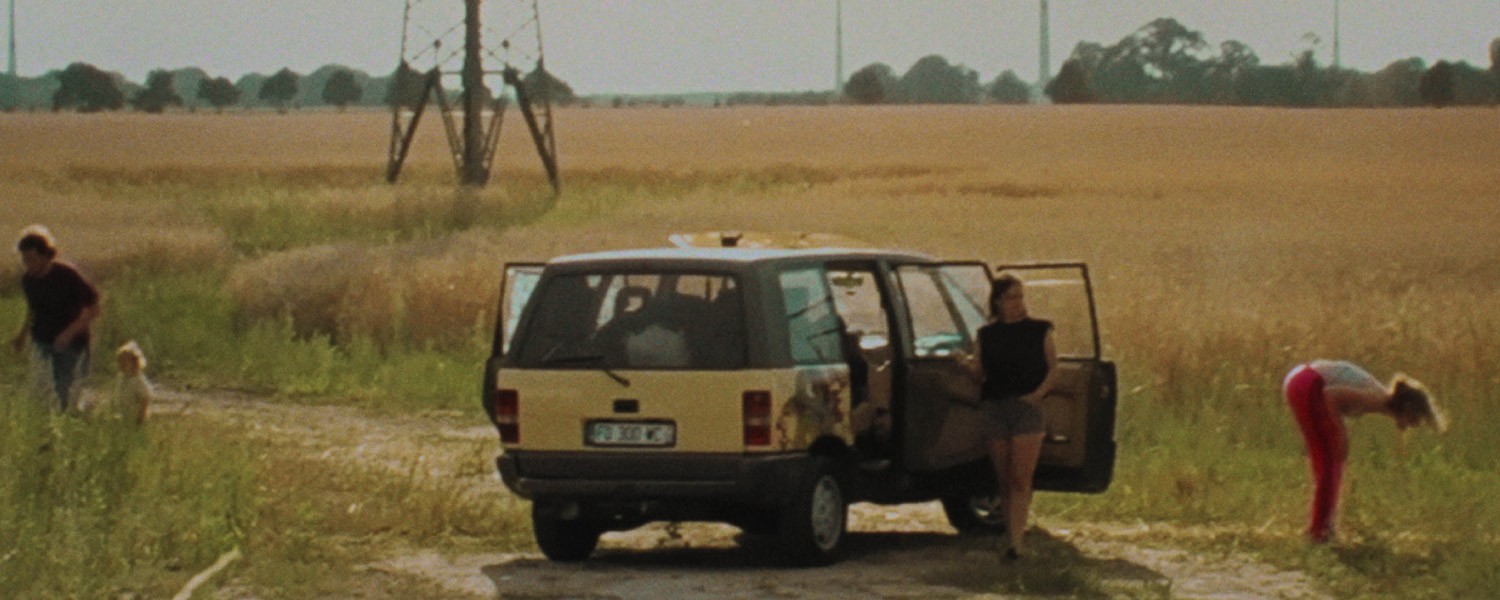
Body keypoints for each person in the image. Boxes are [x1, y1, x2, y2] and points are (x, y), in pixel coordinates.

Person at [1282, 360, 1446, 543]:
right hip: (1308, 383)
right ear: (1407, 409)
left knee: (1330, 462)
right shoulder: (1378, 398)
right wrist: (1340, 433)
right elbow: (1331, 396)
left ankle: (1323, 528)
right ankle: (1320, 532)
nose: (1415, 425)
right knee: (1331, 463)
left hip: (1303, 382)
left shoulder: (1379, 398)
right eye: (1417, 418)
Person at [977, 273, 1058, 559]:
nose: (1017, 303)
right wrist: (962, 364)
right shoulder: (986, 334)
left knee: (1020, 478)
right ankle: (1010, 535)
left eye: (1020, 296)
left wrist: (1038, 395)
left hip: (1026, 409)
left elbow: (1053, 368)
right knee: (1004, 479)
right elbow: (979, 373)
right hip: (996, 407)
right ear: (998, 301)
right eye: (1011, 297)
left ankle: (1017, 543)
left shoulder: (1039, 330)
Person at [10, 225, 101, 412]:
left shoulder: (67, 276)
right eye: (24, 260)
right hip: (42, 340)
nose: (27, 264)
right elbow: (33, 310)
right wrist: (22, 336)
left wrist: (69, 333)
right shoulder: (28, 280)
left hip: (73, 345)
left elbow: (94, 308)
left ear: (45, 256)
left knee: (66, 396)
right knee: (39, 393)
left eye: (31, 259)